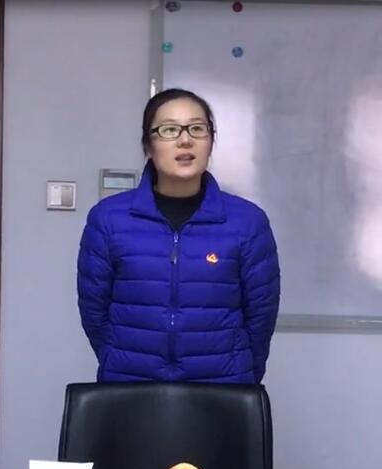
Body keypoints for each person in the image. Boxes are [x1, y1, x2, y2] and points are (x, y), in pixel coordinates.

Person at [77, 88, 280, 383]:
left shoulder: (247, 222)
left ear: (211, 141)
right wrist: (119, 358)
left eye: (197, 128)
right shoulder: (108, 219)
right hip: (130, 385)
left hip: (223, 386)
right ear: (148, 144)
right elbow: (94, 312)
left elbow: (261, 317)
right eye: (169, 130)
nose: (185, 140)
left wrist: (241, 373)